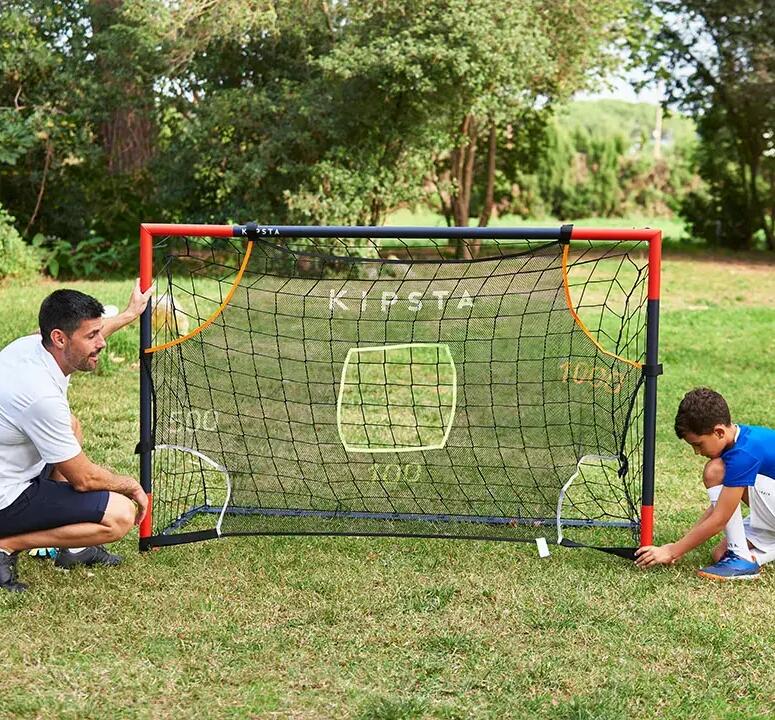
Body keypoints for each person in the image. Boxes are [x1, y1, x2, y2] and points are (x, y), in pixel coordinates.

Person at [0, 282, 153, 591]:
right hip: (6, 497)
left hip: (12, 469)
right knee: (120, 515)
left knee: (71, 426)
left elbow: (83, 336)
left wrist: (128, 314)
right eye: (92, 336)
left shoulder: (29, 347)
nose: (102, 343)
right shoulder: (40, 396)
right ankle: (7, 543)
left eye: (98, 333)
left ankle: (75, 548)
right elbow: (84, 478)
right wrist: (131, 485)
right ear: (59, 338)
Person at [636, 387, 775, 581]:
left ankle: (742, 559)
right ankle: (744, 557)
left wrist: (673, 551)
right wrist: (679, 545)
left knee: (715, 470)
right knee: (720, 554)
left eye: (698, 444)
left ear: (718, 432)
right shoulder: (738, 439)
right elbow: (722, 506)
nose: (696, 452)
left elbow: (720, 519)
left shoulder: (744, 454)